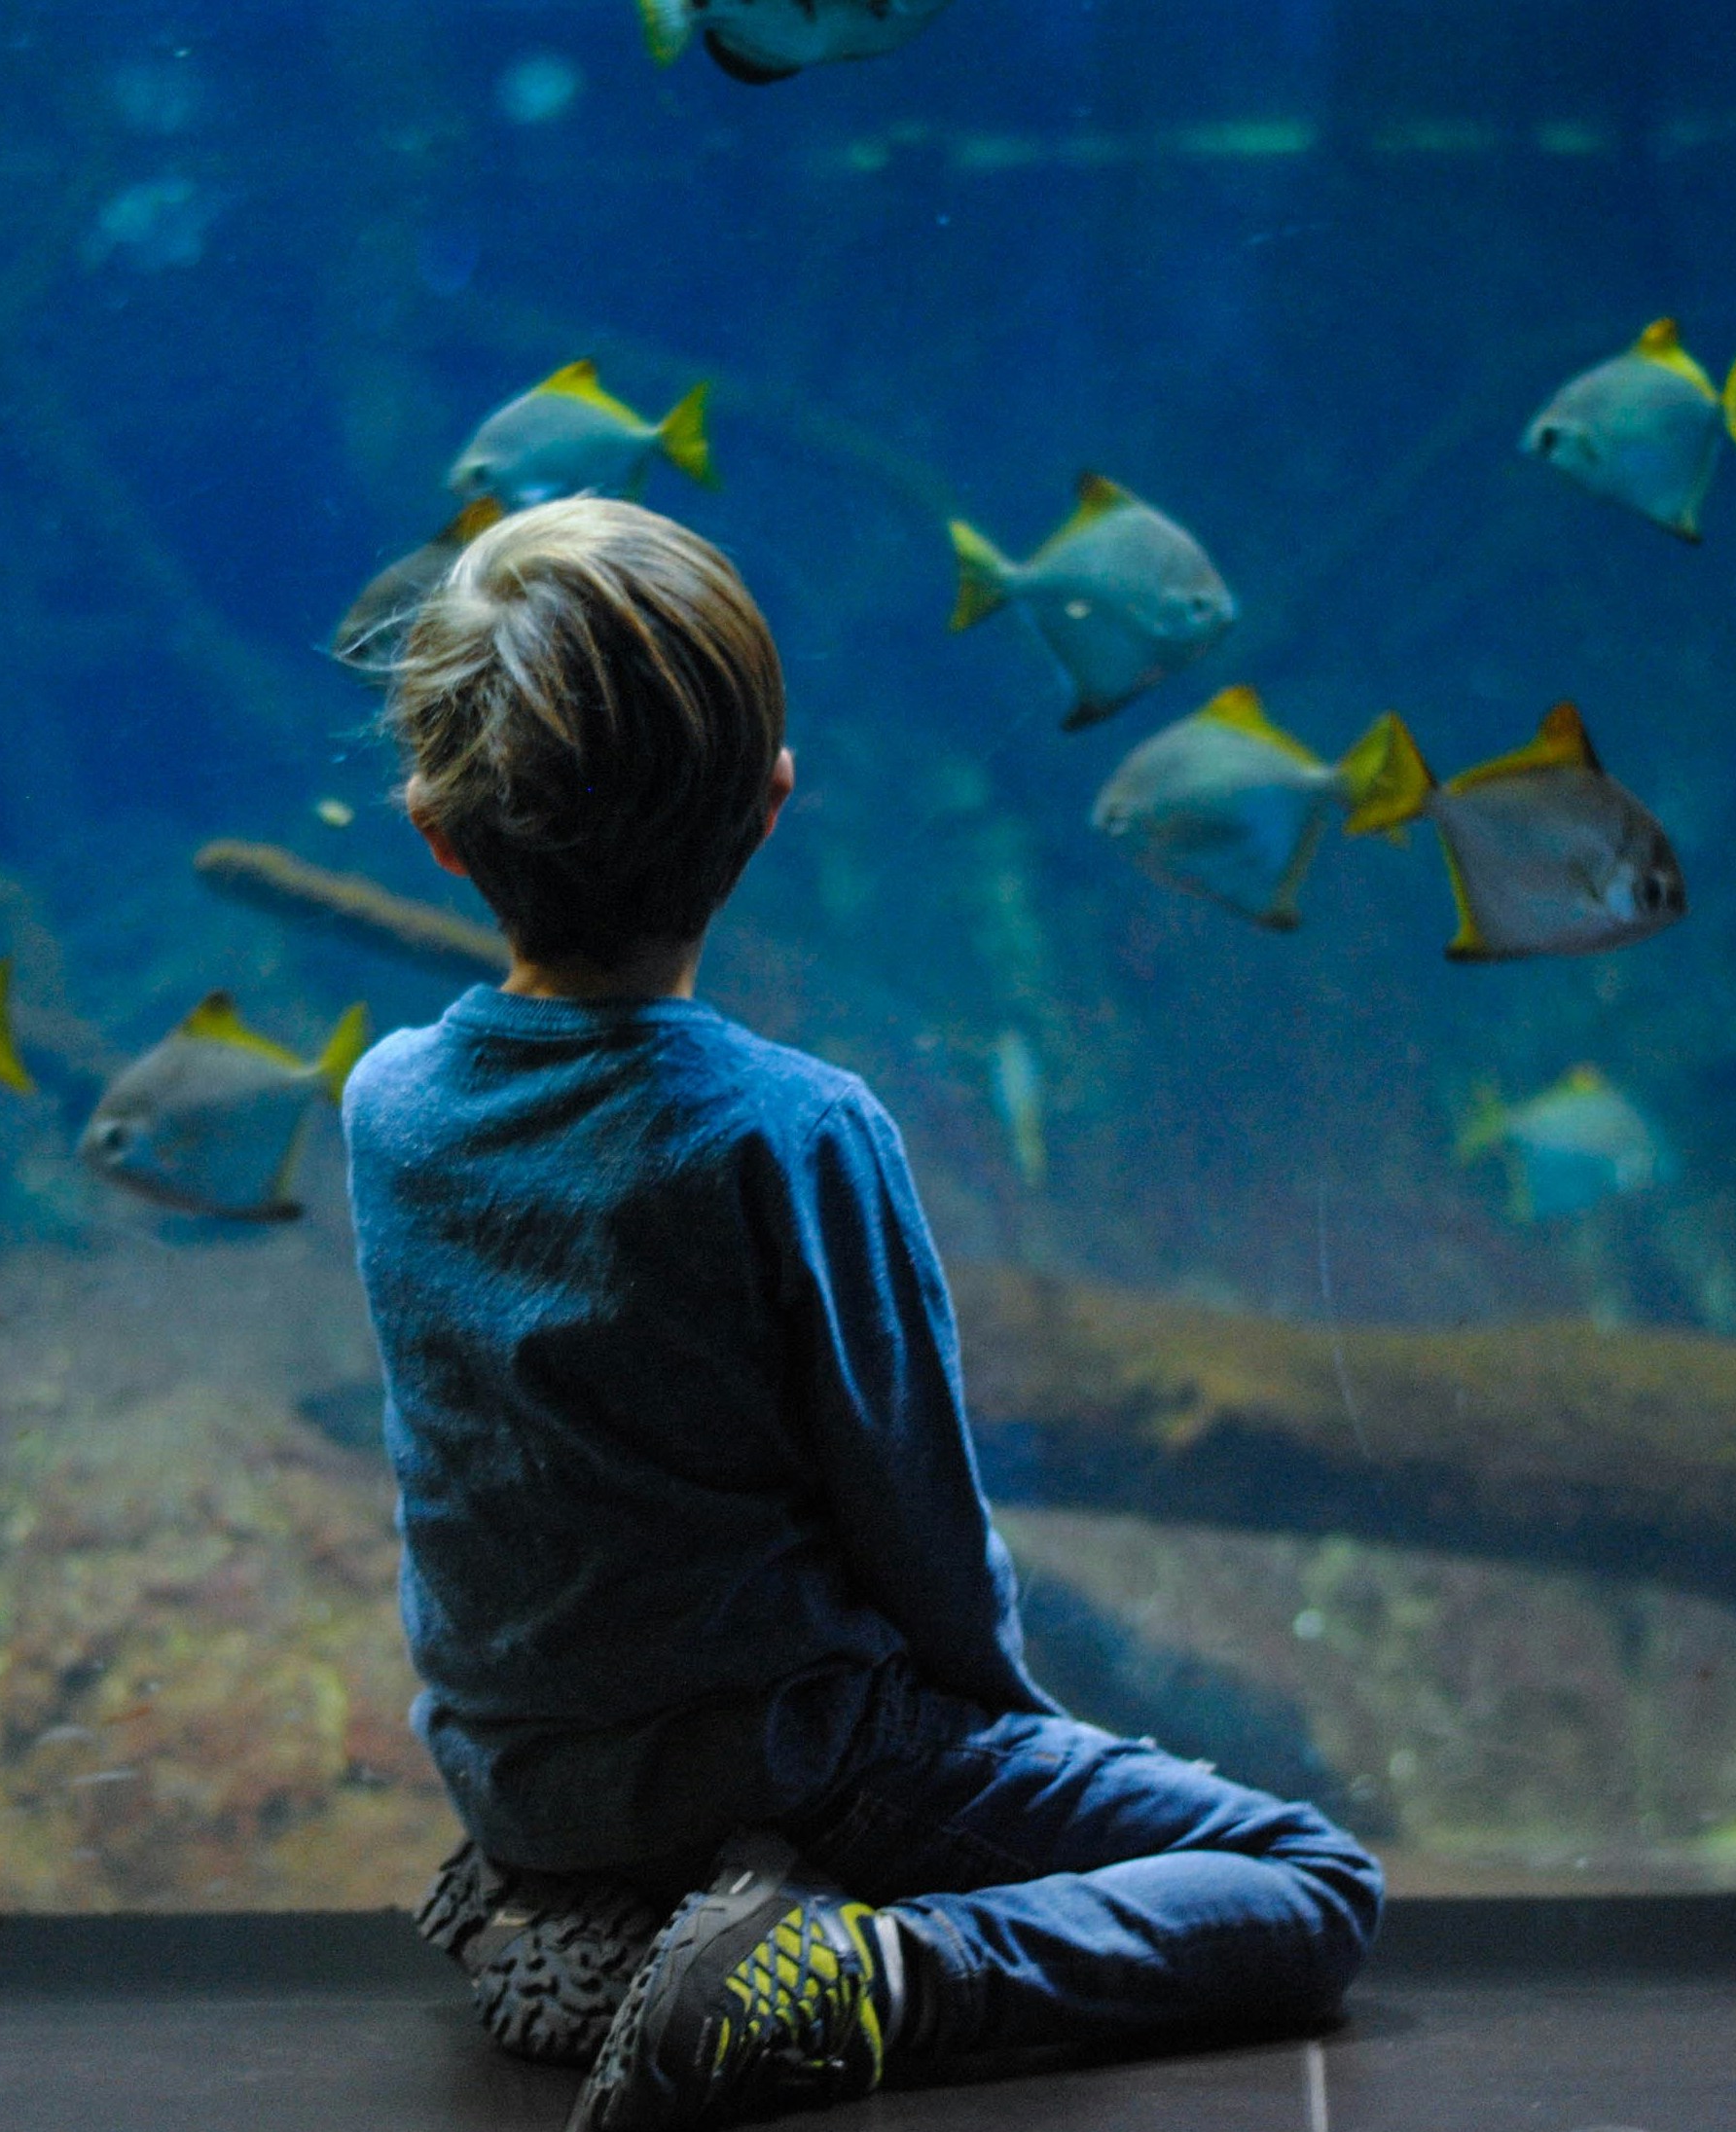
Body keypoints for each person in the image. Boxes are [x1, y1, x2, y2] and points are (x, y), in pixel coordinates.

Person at [347, 497, 1383, 2132]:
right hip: (793, 1755)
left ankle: (600, 1916)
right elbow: (910, 1504)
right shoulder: (792, 1128)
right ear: (768, 812)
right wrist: (1002, 1718)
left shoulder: (385, 1104)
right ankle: (865, 1975)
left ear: (437, 828)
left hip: (521, 1780)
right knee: (1306, 1878)